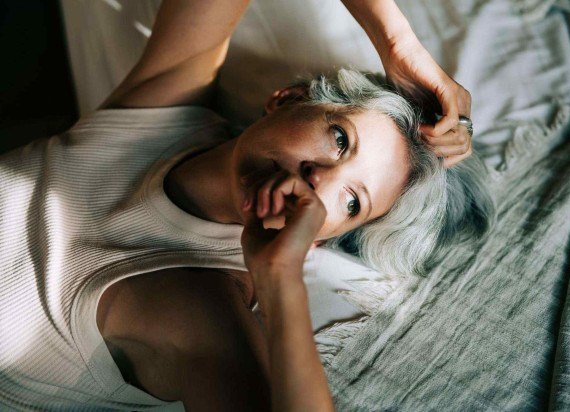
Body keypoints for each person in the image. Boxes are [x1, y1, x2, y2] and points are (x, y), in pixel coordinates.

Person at [0, 0, 493, 410]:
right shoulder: (164, 111)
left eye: (351, 201)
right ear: (288, 99)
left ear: (321, 240)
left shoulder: (199, 302)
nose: (320, 179)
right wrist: (397, 43)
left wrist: (280, 279)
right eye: (341, 140)